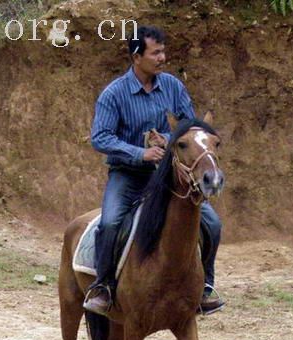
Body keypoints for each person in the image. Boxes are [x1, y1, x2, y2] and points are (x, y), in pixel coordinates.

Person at [84, 25, 224, 317]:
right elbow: (101, 137)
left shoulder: (173, 86)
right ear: (137, 56)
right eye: (156, 52)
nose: (162, 57)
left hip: (167, 177)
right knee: (109, 223)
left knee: (212, 223)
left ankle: (205, 288)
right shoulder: (114, 94)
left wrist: (169, 139)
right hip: (128, 175)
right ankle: (104, 287)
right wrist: (141, 152)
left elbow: (189, 127)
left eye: (163, 51)